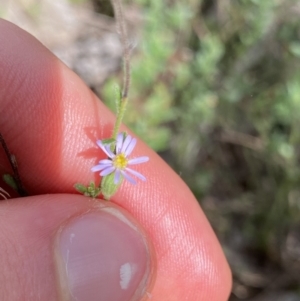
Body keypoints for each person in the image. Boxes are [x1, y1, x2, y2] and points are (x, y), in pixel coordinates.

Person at [0, 19, 231, 301]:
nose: (122, 159)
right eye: (120, 158)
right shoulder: (111, 168)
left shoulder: (112, 171)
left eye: (122, 158)